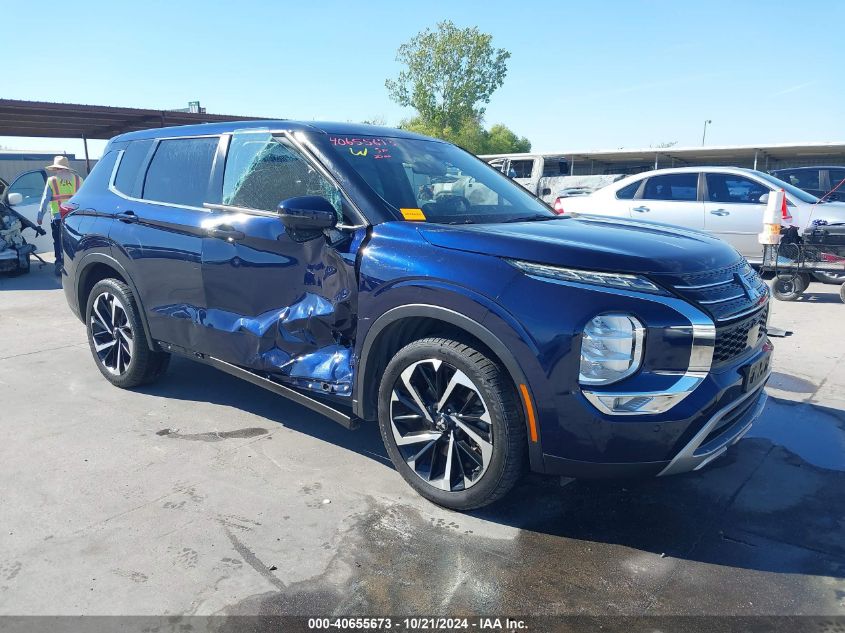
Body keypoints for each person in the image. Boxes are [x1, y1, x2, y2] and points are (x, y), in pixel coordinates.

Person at [37, 156, 83, 275]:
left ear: (56, 168)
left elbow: (45, 200)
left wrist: (40, 215)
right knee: (74, 241)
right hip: (75, 217)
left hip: (58, 217)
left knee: (58, 241)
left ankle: (59, 263)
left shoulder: (52, 181)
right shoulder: (79, 180)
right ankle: (77, 265)